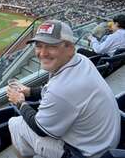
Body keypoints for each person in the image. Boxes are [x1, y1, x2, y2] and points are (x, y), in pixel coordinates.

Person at [7, 20, 120, 158]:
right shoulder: (81, 60)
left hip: (87, 153)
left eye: (51, 46)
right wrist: (29, 91)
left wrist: (20, 102)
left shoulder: (61, 90)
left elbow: (39, 129)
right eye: (38, 45)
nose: (42, 53)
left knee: (15, 123)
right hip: (105, 141)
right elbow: (52, 89)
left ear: (69, 47)